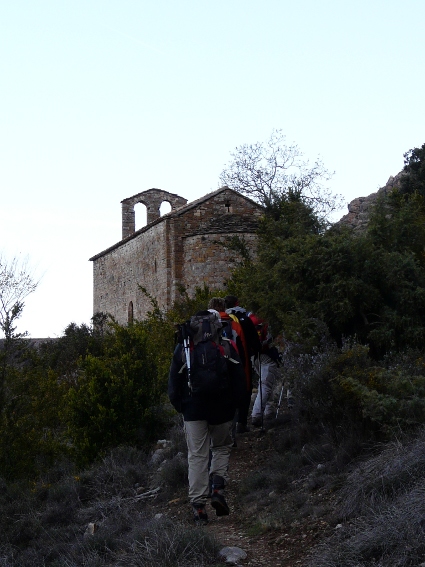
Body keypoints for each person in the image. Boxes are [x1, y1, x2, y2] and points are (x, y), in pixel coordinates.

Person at [168, 310, 245, 525]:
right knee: (221, 447)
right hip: (222, 407)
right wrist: (235, 407)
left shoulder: (184, 348)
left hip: (193, 409)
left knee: (197, 455)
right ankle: (218, 488)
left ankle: (199, 507)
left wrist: (182, 407)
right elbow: (239, 380)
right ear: (217, 326)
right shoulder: (226, 346)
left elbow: (173, 384)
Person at [224, 295, 261, 433]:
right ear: (237, 303)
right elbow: (254, 341)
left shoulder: (222, 320)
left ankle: (228, 425)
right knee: (245, 388)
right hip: (243, 359)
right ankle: (242, 422)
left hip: (225, 361)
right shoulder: (244, 318)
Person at [248, 313, 281, 427]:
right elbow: (270, 339)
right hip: (265, 355)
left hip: (253, 356)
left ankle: (268, 411)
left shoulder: (249, 318)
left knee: (265, 382)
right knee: (266, 384)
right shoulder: (267, 316)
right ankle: (256, 414)